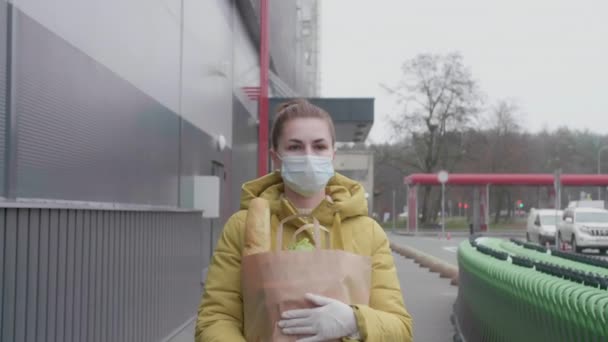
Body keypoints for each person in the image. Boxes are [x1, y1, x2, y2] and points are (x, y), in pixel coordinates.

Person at [195, 99, 413, 341]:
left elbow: (400, 328)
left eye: (319, 146)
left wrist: (355, 321)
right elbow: (216, 318)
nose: (309, 156)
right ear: (275, 158)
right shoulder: (243, 226)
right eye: (295, 147)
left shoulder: (368, 231)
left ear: (332, 154)